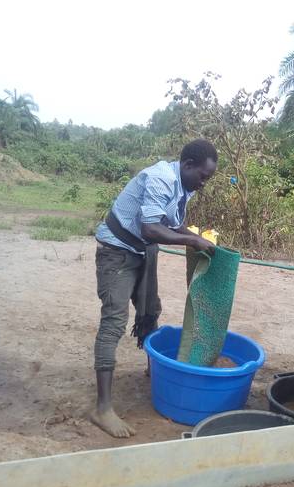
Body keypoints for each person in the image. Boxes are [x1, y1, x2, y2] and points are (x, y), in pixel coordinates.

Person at [91, 139, 218, 438]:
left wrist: (202, 241)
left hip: (142, 251)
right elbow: (150, 228)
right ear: (187, 165)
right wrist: (192, 241)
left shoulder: (182, 188)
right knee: (113, 322)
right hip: (117, 251)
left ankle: (156, 372)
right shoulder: (162, 178)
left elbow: (172, 226)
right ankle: (103, 408)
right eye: (202, 176)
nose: (203, 184)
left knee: (150, 311)